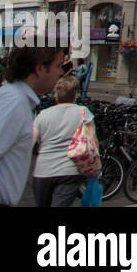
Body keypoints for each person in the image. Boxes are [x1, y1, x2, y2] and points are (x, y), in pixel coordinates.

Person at [0, 47, 65, 206]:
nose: (61, 72)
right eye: (57, 66)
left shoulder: (14, 100)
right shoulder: (13, 103)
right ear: (39, 69)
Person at [32, 72, 93, 207]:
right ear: (75, 94)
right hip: (69, 170)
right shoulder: (84, 112)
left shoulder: (43, 115)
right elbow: (92, 142)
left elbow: (31, 141)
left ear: (56, 94)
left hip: (43, 170)